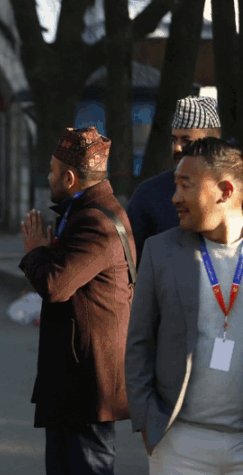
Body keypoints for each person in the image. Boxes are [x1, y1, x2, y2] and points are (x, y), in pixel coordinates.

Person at [20, 127, 135, 475]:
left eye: (52, 171)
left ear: (69, 178)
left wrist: (36, 251)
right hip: (73, 382)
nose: (48, 177)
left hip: (86, 385)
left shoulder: (96, 221)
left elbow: (55, 285)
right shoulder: (85, 211)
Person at [126, 138, 243, 473]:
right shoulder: (161, 251)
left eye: (186, 186)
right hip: (179, 445)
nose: (174, 198)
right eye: (175, 185)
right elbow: (139, 342)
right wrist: (146, 420)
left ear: (224, 191)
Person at [127, 96, 222, 263]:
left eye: (186, 140)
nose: (177, 148)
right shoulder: (149, 194)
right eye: (174, 140)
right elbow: (131, 260)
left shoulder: (234, 189)